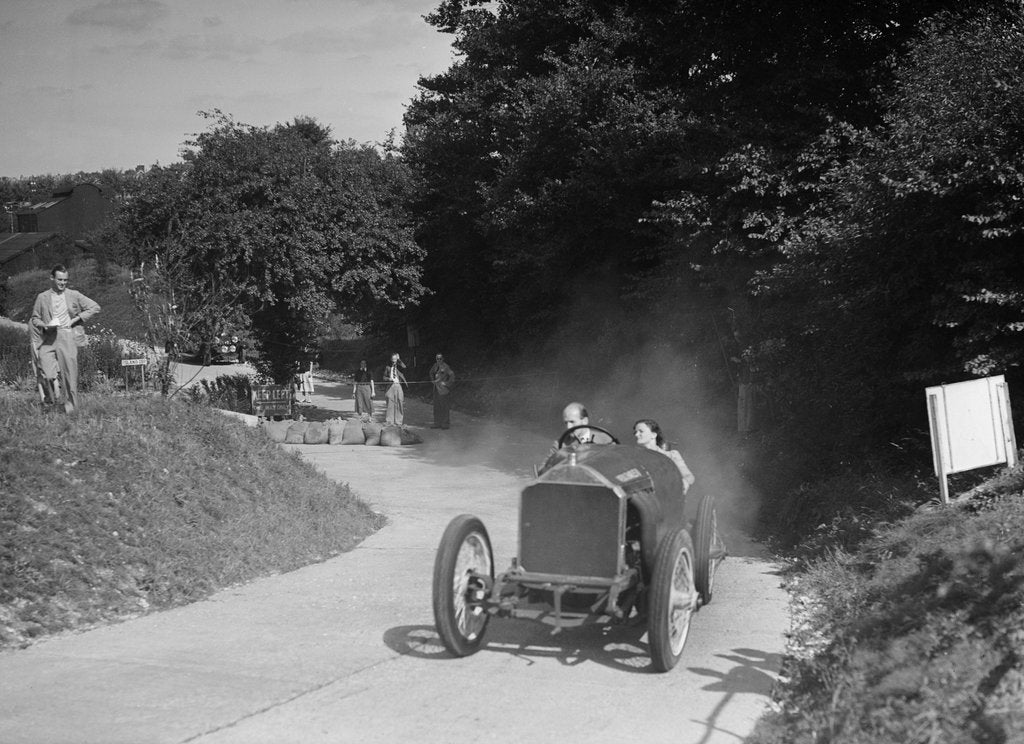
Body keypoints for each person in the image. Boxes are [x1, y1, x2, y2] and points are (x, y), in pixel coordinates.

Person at [29, 264, 101, 414]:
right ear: (52, 278)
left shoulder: (74, 295)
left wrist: (75, 320)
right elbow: (35, 318)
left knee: (70, 375)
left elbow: (94, 307)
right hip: (49, 337)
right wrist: (44, 325)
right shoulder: (42, 297)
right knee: (46, 372)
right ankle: (49, 400)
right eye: (60, 280)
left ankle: (70, 408)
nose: (63, 283)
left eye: (65, 280)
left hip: (67, 336)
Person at [633, 418, 695, 494]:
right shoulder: (635, 458)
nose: (636, 435)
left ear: (653, 435)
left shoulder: (671, 455)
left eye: (641, 431)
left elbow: (689, 476)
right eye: (635, 432)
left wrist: (684, 482)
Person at [429, 353, 455, 429]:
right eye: (437, 359)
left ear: (443, 359)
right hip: (436, 389)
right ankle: (437, 423)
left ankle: (445, 424)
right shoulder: (435, 366)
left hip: (443, 390)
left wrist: (447, 383)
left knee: (444, 407)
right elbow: (430, 372)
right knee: (436, 407)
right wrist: (432, 380)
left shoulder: (446, 367)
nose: (439, 360)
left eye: (440, 359)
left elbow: (452, 375)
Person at [382, 352, 407, 425]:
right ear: (391, 359)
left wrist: (399, 360)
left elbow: (404, 367)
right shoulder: (388, 367)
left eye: (395, 359)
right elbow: (384, 377)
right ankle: (389, 421)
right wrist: (388, 379)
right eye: (393, 359)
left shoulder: (399, 366)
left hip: (398, 385)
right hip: (390, 386)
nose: (394, 361)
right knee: (390, 403)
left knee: (399, 402)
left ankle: (398, 421)